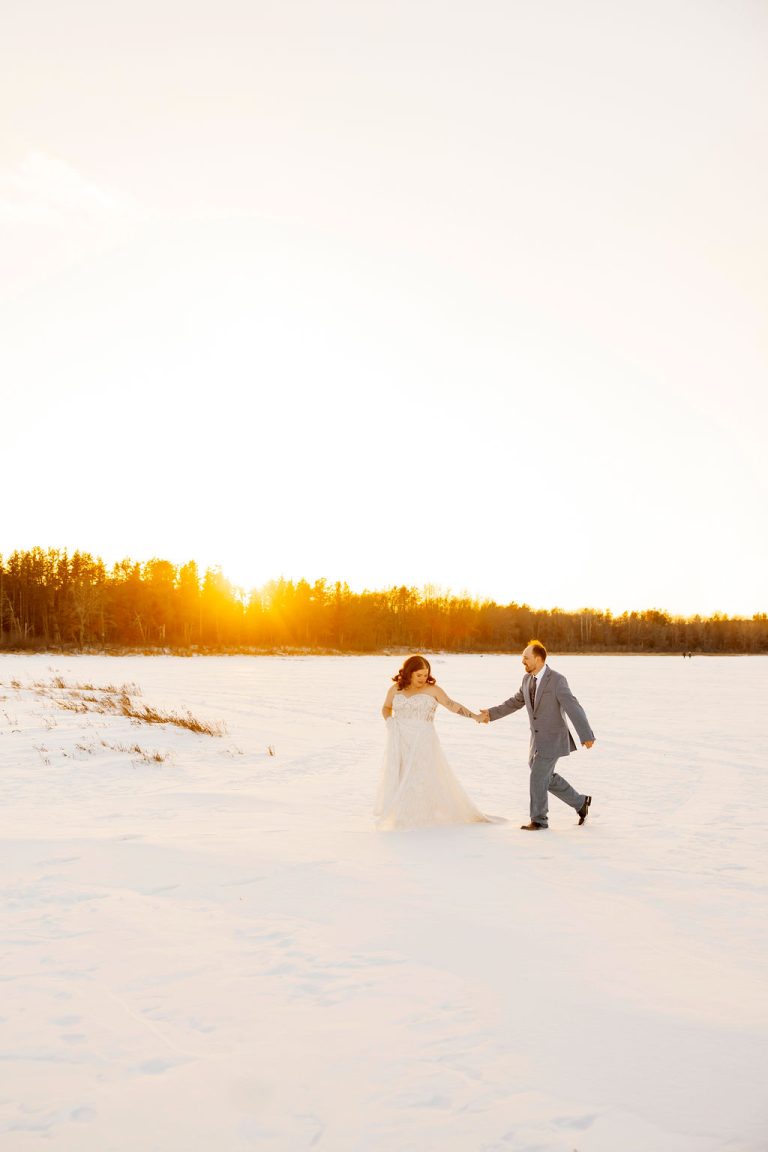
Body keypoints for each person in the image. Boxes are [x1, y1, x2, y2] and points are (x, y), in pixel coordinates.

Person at [479, 640, 595, 831]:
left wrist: (586, 734)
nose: (522, 661)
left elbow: (572, 706)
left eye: (526, 657)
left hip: (554, 738)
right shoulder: (527, 680)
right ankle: (580, 802)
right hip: (537, 740)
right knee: (544, 777)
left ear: (539, 659)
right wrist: (490, 714)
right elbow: (515, 702)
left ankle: (539, 820)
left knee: (538, 777)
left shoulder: (557, 680)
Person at [375, 654, 495, 830]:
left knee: (420, 774)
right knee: (401, 774)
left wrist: (475, 716)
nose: (423, 679)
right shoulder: (395, 689)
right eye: (419, 675)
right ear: (409, 673)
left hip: (423, 739)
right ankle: (402, 814)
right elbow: (386, 708)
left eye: (425, 675)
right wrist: (389, 721)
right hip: (399, 738)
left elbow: (452, 705)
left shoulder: (433, 690)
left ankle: (422, 813)